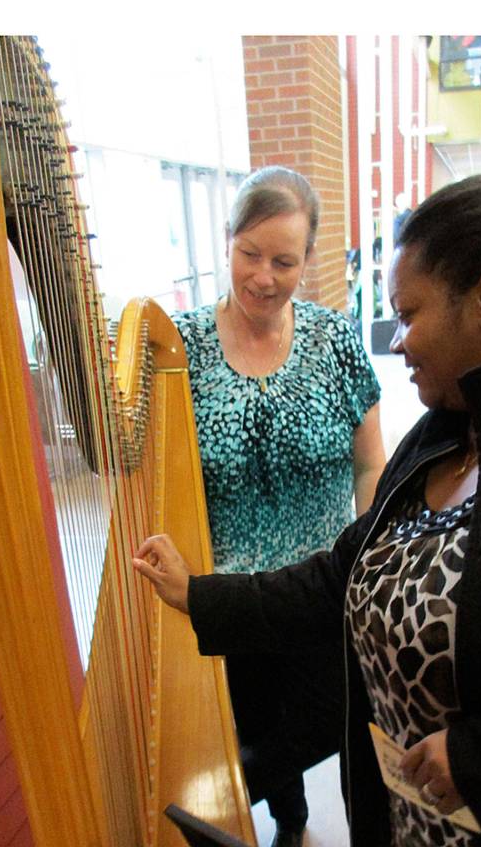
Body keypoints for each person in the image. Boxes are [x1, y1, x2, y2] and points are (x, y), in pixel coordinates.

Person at [136, 173, 481, 847]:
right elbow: (343, 570)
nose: (396, 341)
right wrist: (197, 596)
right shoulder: (443, 432)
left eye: (408, 313)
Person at [172, 166, 386, 847]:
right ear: (226, 241)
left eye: (284, 261)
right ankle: (288, 824)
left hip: (322, 585)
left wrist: (365, 558)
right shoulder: (180, 347)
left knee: (329, 715)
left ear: (307, 260)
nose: (264, 276)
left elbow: (369, 461)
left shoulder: (334, 340)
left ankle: (220, 799)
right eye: (250, 254)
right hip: (232, 596)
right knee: (259, 719)